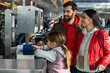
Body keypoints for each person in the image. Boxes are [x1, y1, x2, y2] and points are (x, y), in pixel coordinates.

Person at [37, 1, 110, 73]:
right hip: (63, 63)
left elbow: (105, 48)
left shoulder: (82, 28)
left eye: (68, 11)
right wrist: (42, 43)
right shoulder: (59, 27)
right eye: (64, 11)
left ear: (74, 12)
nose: (65, 14)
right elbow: (50, 38)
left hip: (77, 64)